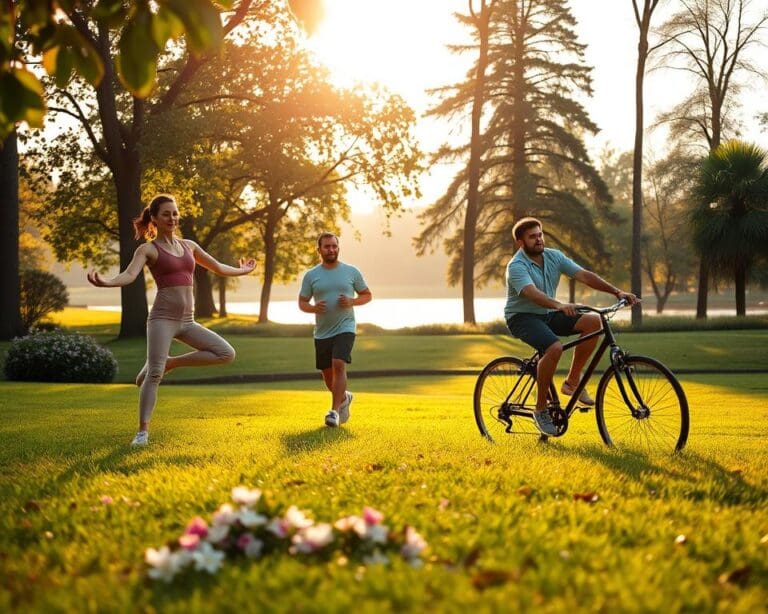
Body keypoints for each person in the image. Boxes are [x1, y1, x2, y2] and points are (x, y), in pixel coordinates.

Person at [87, 194, 256, 446]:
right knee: (153, 374)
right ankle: (142, 432)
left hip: (187, 321)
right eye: (166, 214)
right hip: (162, 320)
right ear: (154, 218)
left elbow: (219, 267)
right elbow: (129, 274)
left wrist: (242, 270)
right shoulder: (148, 249)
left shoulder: (189, 246)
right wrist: (107, 282)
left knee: (225, 353)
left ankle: (172, 362)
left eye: (175, 213)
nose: (172, 218)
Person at [504, 217, 638, 436]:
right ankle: (540, 410)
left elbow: (584, 275)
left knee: (594, 322)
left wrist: (617, 292)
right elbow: (531, 293)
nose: (539, 239)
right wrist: (559, 305)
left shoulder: (554, 256)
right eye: (532, 237)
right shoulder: (516, 266)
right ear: (521, 242)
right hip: (522, 317)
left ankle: (572, 382)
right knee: (554, 348)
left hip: (549, 313)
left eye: (540, 234)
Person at [298, 233, 372, 427]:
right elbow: (302, 302)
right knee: (328, 374)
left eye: (334, 246)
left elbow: (367, 295)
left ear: (338, 248)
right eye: (327, 247)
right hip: (322, 331)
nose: (331, 250)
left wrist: (352, 301)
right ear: (319, 250)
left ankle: (334, 412)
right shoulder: (311, 275)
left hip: (345, 327)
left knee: (339, 363)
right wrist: (313, 308)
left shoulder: (351, 271)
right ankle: (344, 397)